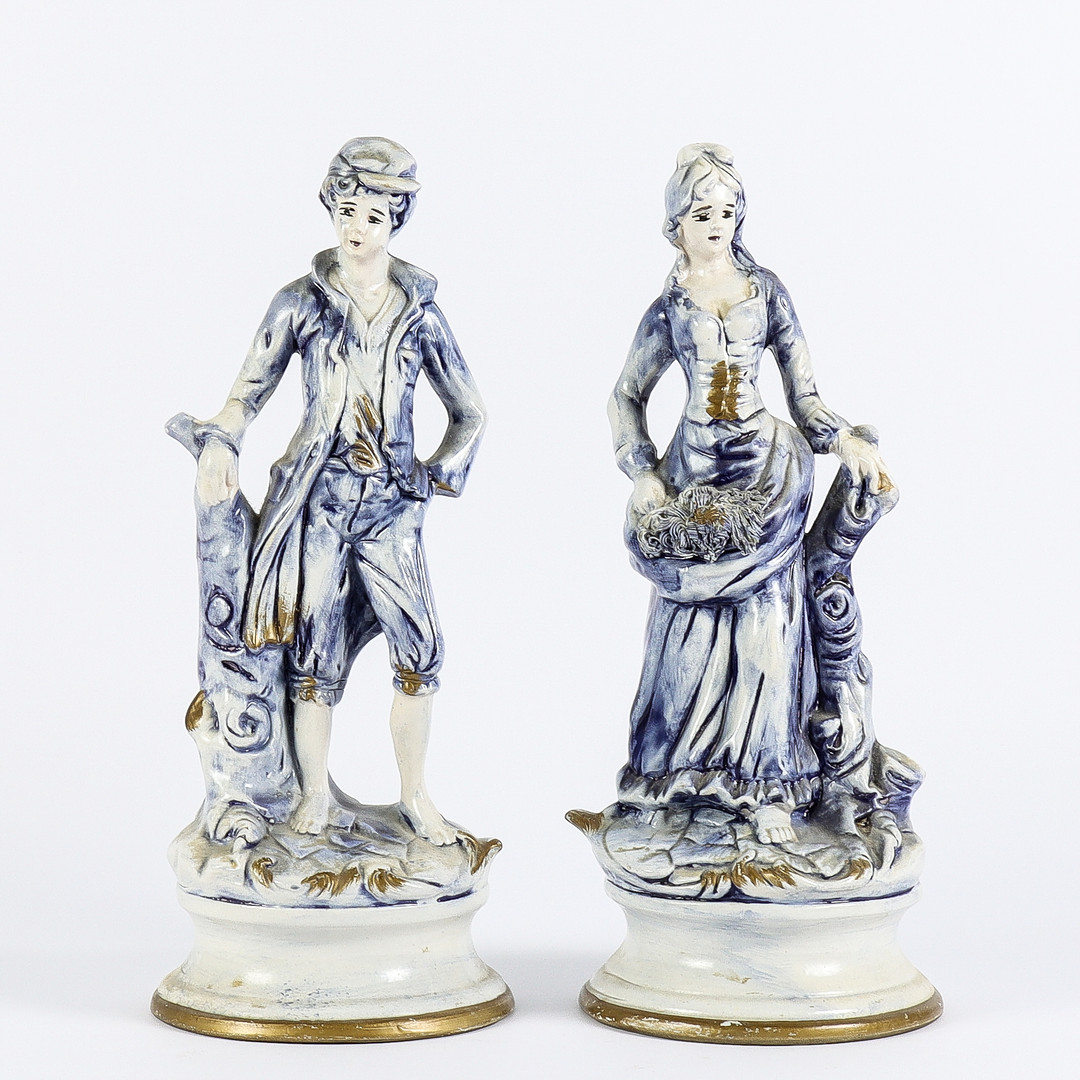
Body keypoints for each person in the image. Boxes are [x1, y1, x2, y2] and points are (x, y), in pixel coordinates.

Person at [194, 138, 486, 841]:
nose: (357, 227)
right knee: (313, 649)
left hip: (391, 509)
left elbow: (470, 411)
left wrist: (433, 475)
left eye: (374, 216)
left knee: (420, 649)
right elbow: (248, 391)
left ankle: (415, 795)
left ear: (396, 222)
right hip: (320, 502)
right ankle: (315, 795)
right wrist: (222, 441)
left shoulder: (420, 314)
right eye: (347, 211)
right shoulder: (300, 303)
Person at [609, 144, 891, 846]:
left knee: (768, 633)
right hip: (692, 476)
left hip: (767, 474)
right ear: (676, 223)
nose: (717, 224)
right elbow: (625, 395)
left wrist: (844, 440)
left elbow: (805, 394)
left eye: (728, 211)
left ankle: (767, 789)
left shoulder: (768, 293)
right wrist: (642, 472)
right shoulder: (669, 308)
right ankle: (675, 782)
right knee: (687, 639)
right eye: (702, 212)